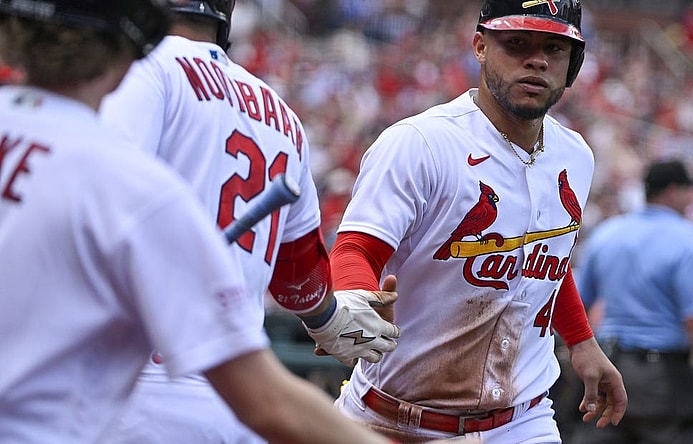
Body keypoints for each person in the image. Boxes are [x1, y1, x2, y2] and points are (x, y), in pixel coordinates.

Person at [0, 1, 405, 443]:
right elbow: (296, 279)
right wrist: (329, 316)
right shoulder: (277, 118)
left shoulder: (115, 108)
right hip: (201, 389)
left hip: (112, 394)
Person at [328, 0, 628, 442]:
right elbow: (355, 248)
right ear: (480, 46)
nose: (537, 59)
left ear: (573, 64)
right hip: (390, 420)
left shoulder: (575, 155)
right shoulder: (421, 143)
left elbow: (545, 258)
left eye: (555, 48)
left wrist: (581, 341)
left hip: (521, 421)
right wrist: (351, 294)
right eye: (517, 43)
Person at [572, 158, 693, 444]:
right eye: (688, 190)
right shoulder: (691, 240)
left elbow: (578, 302)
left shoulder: (607, 233)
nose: (691, 199)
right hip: (664, 380)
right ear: (673, 191)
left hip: (607, 370)